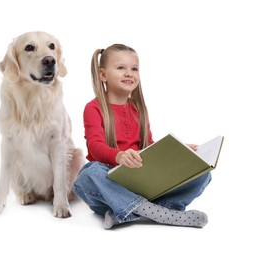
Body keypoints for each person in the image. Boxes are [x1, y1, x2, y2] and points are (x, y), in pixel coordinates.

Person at [72, 44, 211, 229]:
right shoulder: (93, 108)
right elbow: (95, 147)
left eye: (134, 69)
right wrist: (118, 156)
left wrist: (177, 152)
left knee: (202, 172)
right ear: (103, 75)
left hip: (142, 184)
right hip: (108, 189)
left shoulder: (139, 109)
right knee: (89, 172)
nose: (129, 73)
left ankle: (127, 213)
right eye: (121, 68)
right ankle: (161, 213)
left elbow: (149, 147)